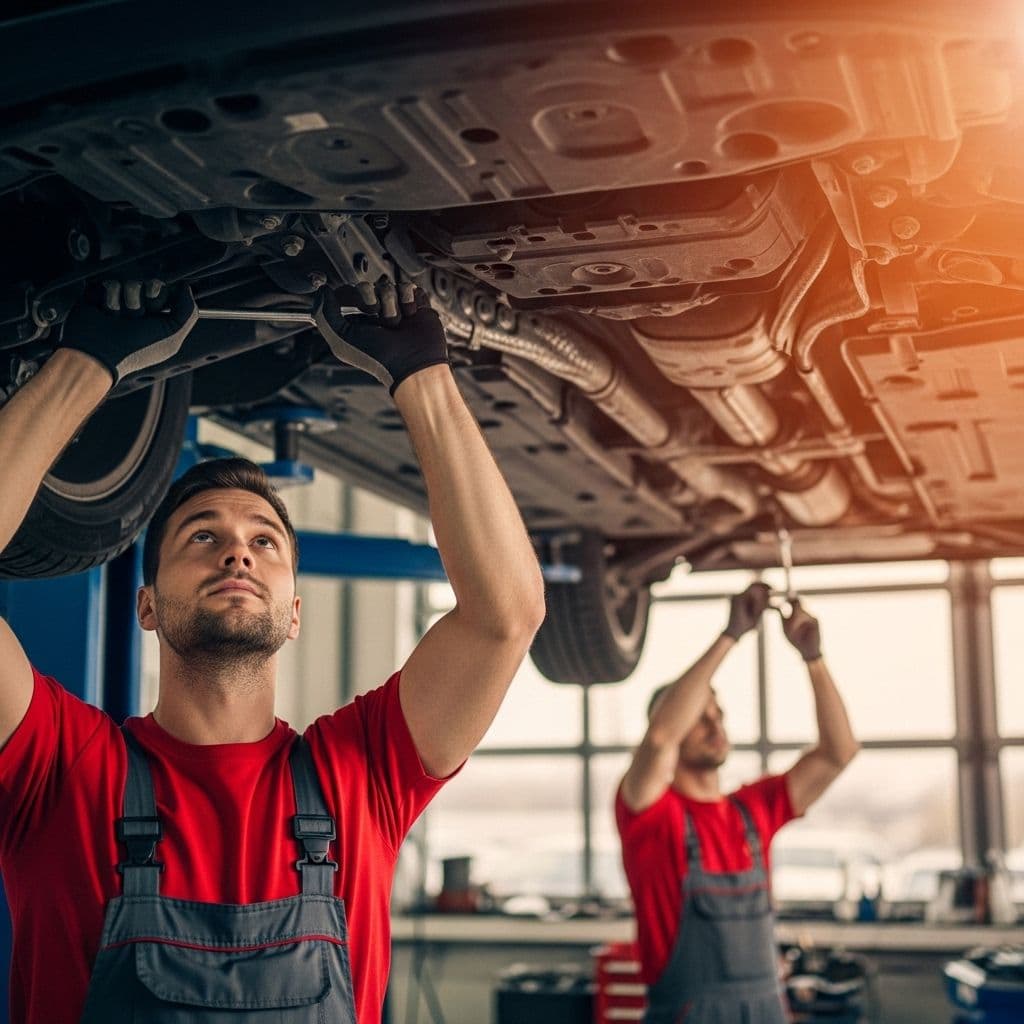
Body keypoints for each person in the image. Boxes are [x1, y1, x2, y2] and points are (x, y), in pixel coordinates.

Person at [0, 279, 546, 1023]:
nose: (237, 553)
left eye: (264, 540)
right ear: (148, 605)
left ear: (294, 614)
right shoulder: (61, 768)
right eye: (202, 536)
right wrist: (85, 363)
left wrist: (422, 373)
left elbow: (505, 615)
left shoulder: (361, 773)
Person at [616, 582, 859, 1024]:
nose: (716, 725)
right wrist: (730, 634)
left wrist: (813, 658)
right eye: (699, 717)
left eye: (719, 713)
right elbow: (660, 737)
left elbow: (838, 752)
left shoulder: (754, 809)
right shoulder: (652, 815)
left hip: (768, 1009)